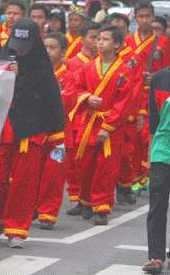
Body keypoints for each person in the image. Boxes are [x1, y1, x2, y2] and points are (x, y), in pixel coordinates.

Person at [0, 18, 65, 248]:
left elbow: (52, 101)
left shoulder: (42, 68)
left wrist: (56, 136)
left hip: (32, 132)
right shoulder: (1, 60)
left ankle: (16, 229)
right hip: (3, 129)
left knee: (24, 183)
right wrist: (7, 73)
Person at [68, 26, 137, 225]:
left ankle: (102, 207)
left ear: (117, 45)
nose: (100, 42)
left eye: (105, 39)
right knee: (85, 163)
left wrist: (107, 128)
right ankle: (85, 201)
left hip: (111, 128)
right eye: (98, 38)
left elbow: (124, 103)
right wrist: (87, 98)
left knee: (106, 167)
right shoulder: (88, 67)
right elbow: (76, 88)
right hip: (89, 122)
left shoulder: (124, 71)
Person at [124, 1, 170, 198]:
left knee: (146, 135)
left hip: (152, 94)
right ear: (135, 18)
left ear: (153, 18)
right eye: (141, 16)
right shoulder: (128, 41)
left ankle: (145, 175)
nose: (144, 20)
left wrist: (157, 78)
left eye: (148, 16)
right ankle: (133, 177)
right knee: (132, 137)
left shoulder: (162, 43)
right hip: (131, 94)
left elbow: (169, 69)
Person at [143, 30, 170, 274]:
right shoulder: (158, 79)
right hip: (163, 151)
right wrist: (149, 154)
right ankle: (155, 257)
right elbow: (153, 121)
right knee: (157, 204)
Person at [63, 22, 102, 214]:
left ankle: (94, 200)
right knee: (78, 161)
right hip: (78, 117)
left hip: (99, 119)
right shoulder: (72, 62)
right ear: (83, 39)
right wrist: (86, 98)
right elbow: (71, 91)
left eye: (100, 38)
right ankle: (80, 199)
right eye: (93, 37)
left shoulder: (107, 63)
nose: (96, 41)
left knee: (96, 162)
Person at [36, 32, 70, 229]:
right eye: (45, 47)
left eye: (52, 47)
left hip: (60, 136)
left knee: (54, 173)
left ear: (63, 52)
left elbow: (69, 98)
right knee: (34, 171)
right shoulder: (37, 73)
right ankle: (32, 207)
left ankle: (48, 213)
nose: (47, 51)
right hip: (38, 131)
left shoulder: (69, 75)